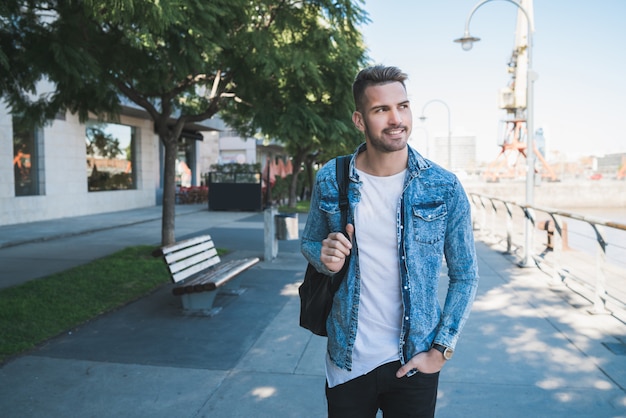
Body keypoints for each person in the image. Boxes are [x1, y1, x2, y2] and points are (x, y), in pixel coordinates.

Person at [301, 65, 479, 418]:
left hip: (414, 361)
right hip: (348, 361)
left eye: (403, 106)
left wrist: (441, 350)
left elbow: (466, 274)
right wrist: (325, 258)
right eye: (381, 109)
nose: (396, 118)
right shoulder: (331, 179)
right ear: (359, 120)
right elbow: (310, 243)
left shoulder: (444, 186)